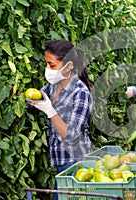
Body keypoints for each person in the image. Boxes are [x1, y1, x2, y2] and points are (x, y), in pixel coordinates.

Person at [26, 40, 94, 200]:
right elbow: (36, 100)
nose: (47, 69)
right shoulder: (53, 86)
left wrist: (50, 111)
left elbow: (72, 135)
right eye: (46, 64)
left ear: (68, 66)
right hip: (62, 163)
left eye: (52, 65)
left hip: (77, 164)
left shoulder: (80, 94)